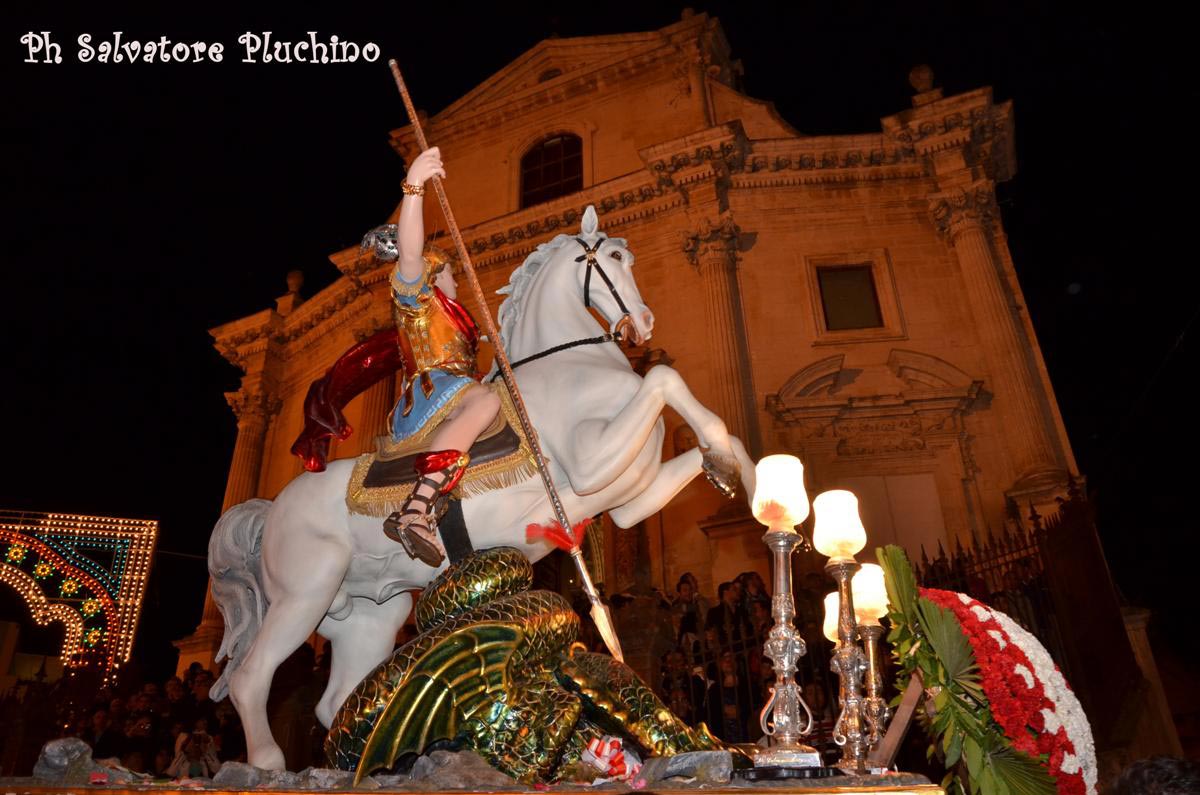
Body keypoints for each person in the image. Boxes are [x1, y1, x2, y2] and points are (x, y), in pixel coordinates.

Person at [378, 146, 500, 566]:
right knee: (485, 400)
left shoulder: (455, 320)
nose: (457, 283)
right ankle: (416, 510)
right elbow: (410, 253)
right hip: (430, 392)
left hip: (452, 391)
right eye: (451, 273)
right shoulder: (418, 299)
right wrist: (414, 186)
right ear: (433, 274)